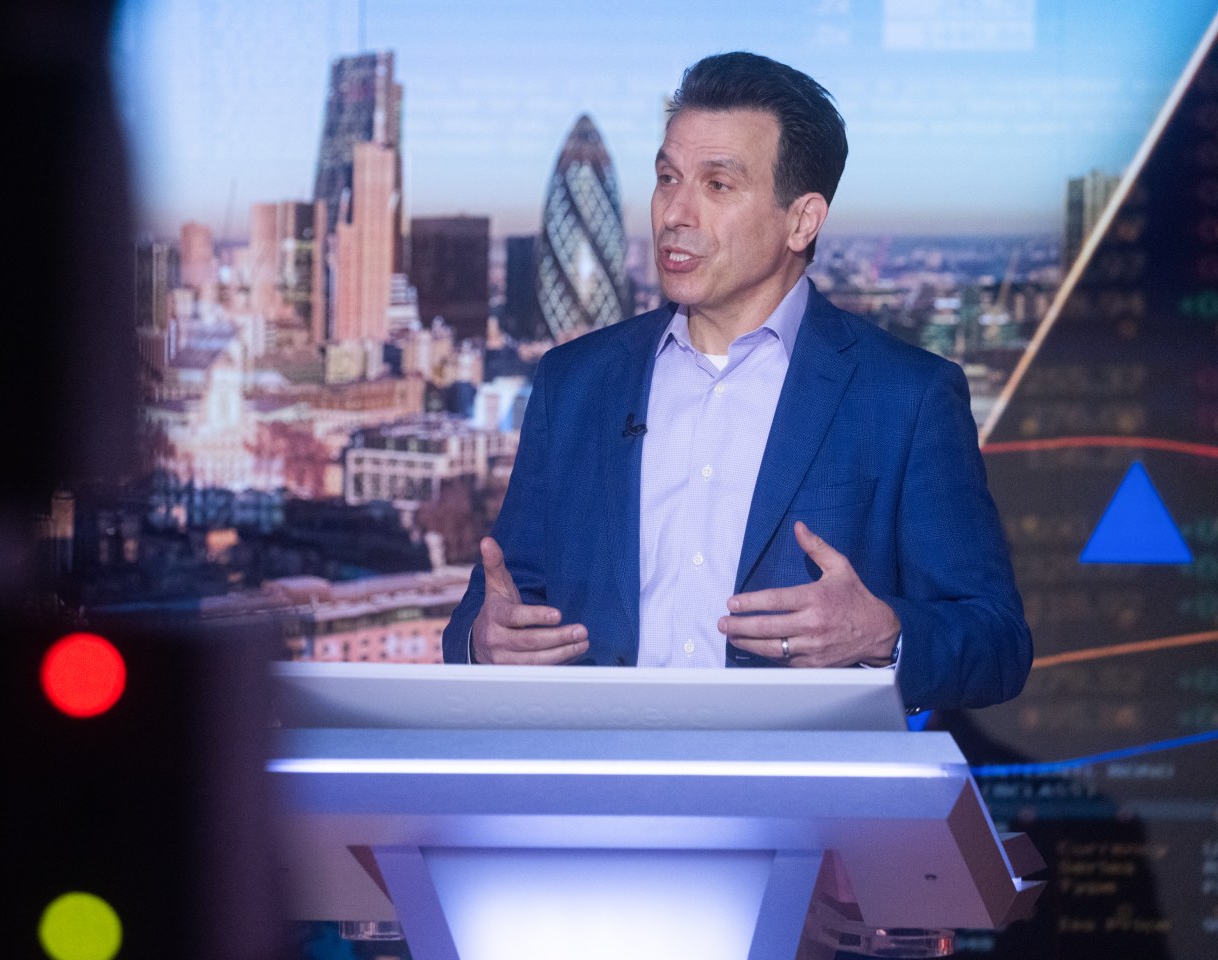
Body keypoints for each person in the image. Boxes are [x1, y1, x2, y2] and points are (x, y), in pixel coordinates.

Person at [440, 51, 1031, 711]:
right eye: (668, 177)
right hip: (599, 795)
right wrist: (480, 644)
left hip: (803, 806)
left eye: (717, 185)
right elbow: (493, 608)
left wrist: (882, 632)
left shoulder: (905, 398)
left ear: (802, 220)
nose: (674, 213)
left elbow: (998, 642)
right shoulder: (574, 382)